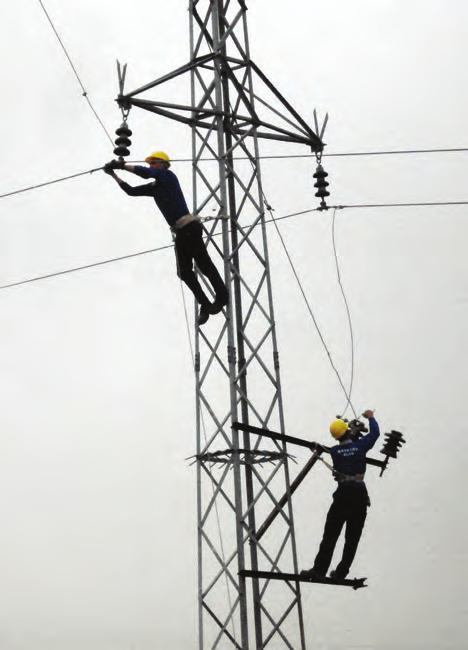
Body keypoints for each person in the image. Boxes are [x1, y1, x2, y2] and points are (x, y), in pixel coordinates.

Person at [104, 152, 228, 325]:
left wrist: (122, 166)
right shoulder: (155, 187)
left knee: (203, 264)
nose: (150, 166)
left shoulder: (168, 176)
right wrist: (114, 175)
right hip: (181, 232)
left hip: (190, 227)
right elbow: (131, 191)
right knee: (183, 272)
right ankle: (205, 305)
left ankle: (222, 297)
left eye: (153, 163)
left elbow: (145, 173)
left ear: (162, 164)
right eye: (150, 164)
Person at [301, 409, 380, 580]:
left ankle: (319, 570)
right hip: (359, 494)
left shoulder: (335, 452)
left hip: (343, 495)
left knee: (330, 535)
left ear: (336, 437)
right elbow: (374, 434)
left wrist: (317, 446)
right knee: (352, 538)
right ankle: (341, 572)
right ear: (347, 431)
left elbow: (339, 447)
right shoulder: (360, 447)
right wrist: (371, 418)